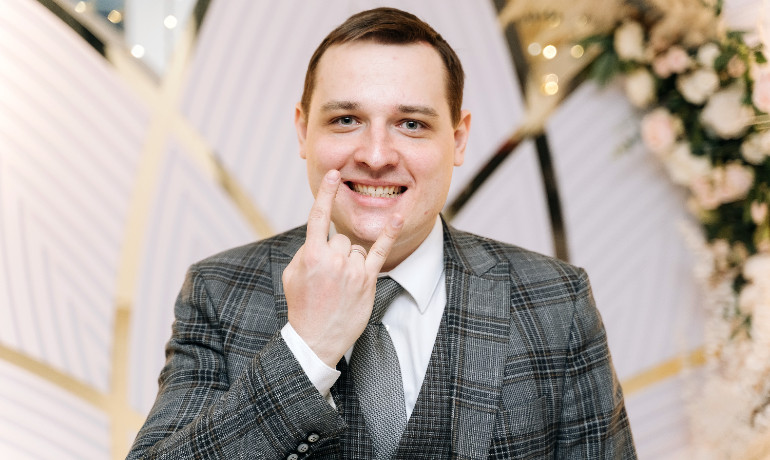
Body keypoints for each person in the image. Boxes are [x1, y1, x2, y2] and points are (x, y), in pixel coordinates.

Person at [128, 7, 636, 459]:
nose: (375, 155)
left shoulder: (558, 301)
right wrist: (306, 351)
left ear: (458, 139)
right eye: (346, 119)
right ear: (304, 131)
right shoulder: (218, 292)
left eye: (411, 124)